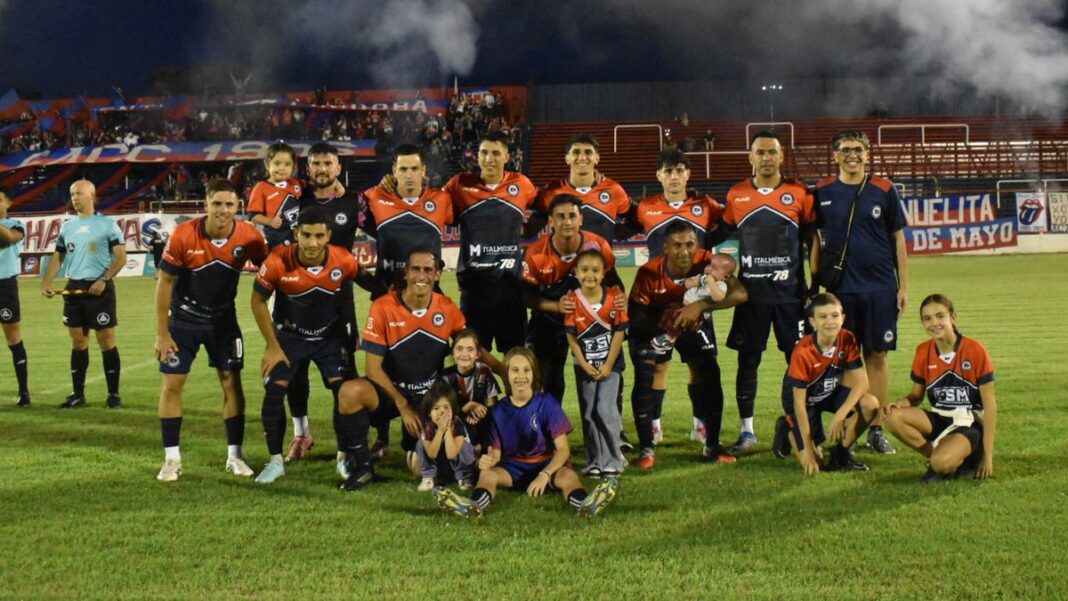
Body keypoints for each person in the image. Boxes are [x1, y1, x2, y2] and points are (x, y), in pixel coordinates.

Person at [153, 179, 268, 482]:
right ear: (206, 204)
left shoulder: (250, 236)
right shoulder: (183, 235)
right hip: (183, 322)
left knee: (232, 383)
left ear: (237, 207)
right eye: (217, 203)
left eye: (229, 204)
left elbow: (270, 271)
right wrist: (163, 333)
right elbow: (164, 283)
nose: (223, 210)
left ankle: (235, 455)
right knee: (172, 385)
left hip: (223, 322)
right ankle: (172, 459)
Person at [332, 247, 469, 491]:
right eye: (415, 269)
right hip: (390, 393)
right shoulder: (384, 306)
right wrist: (402, 404)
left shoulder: (446, 308)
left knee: (420, 469)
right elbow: (373, 368)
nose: (421, 275)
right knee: (349, 392)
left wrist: (502, 368)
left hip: (429, 399)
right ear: (405, 273)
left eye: (428, 270)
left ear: (437, 275)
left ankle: (414, 446)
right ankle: (363, 468)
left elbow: (468, 348)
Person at [250, 208, 368, 484]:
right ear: (296, 235)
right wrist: (272, 346)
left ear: (328, 235)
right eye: (306, 235)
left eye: (319, 236)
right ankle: (275, 462)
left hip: (329, 339)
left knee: (344, 394)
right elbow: (257, 301)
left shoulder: (342, 258)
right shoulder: (278, 260)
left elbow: (370, 283)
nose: (313, 243)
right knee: (274, 393)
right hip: (290, 340)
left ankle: (344, 457)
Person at [432, 347, 619, 519]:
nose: (521, 376)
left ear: (534, 374)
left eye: (526, 370)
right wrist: (489, 460)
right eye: (515, 370)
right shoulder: (497, 411)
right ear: (506, 375)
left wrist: (544, 475)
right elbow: (495, 452)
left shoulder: (547, 404)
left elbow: (563, 450)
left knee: (568, 477)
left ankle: (585, 505)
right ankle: (473, 506)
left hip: (546, 464)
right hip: (513, 468)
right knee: (487, 475)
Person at [812, 130, 909, 455]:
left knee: (877, 356)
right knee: (843, 360)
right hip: (840, 291)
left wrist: (903, 286)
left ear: (868, 153)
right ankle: (851, 423)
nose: (852, 155)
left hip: (880, 288)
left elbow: (898, 239)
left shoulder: (884, 189)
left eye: (858, 149)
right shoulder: (822, 191)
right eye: (845, 150)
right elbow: (814, 240)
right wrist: (814, 285)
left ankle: (876, 428)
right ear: (835, 154)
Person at [622, 149, 727, 443]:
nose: (674, 176)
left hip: (695, 301)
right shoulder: (645, 208)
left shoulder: (705, 205)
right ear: (659, 176)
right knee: (660, 364)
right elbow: (621, 224)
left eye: (680, 170)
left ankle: (700, 424)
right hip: (658, 303)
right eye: (668, 171)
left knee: (699, 365)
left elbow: (724, 228)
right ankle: (654, 425)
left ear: (688, 174)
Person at [722, 131, 816, 454]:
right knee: (748, 362)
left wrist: (813, 286)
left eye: (772, 152)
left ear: (781, 156)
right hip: (752, 298)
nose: (766, 158)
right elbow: (721, 233)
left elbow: (812, 239)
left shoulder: (798, 193)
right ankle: (747, 433)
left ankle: (796, 426)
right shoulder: (736, 195)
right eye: (760, 152)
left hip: (791, 298)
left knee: (798, 363)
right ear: (750, 157)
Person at [627, 222, 747, 469]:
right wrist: (666, 325)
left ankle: (712, 444)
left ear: (697, 246)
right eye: (677, 245)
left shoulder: (706, 262)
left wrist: (699, 306)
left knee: (710, 373)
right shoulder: (649, 272)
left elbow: (739, 294)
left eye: (690, 244)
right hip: (654, 325)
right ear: (666, 248)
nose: (684, 251)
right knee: (645, 374)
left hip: (692, 322)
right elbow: (636, 316)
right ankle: (646, 447)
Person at [282, 142, 367, 463]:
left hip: (338, 306)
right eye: (315, 163)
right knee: (295, 375)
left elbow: (383, 226)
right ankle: (301, 434)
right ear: (307, 168)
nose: (321, 168)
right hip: (294, 304)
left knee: (343, 379)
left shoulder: (354, 201)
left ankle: (348, 446)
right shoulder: (294, 199)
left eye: (327, 163)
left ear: (338, 167)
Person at [883, 294, 997, 482]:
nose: (934, 323)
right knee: (892, 417)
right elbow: (916, 396)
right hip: (939, 417)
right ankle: (936, 455)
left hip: (968, 422)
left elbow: (990, 405)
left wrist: (988, 454)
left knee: (942, 464)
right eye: (927, 319)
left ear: (953, 317)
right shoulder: (923, 351)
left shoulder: (975, 349)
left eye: (940, 316)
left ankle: (969, 455)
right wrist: (900, 403)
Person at [444, 131, 537, 357]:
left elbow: (546, 206)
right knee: (472, 358)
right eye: (484, 153)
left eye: (496, 153)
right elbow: (431, 203)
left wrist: (527, 229)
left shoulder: (521, 184)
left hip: (510, 291)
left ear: (507, 156)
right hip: (475, 291)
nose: (489, 158)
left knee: (515, 358)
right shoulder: (459, 185)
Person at [521, 194, 618, 401]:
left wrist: (618, 301)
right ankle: (546, 425)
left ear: (581, 219)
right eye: (561, 216)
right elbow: (526, 295)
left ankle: (609, 426)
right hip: (548, 321)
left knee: (599, 374)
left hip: (590, 323)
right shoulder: (536, 253)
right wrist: (555, 306)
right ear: (551, 221)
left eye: (572, 216)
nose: (567, 222)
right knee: (544, 376)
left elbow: (613, 281)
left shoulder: (598, 245)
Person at [41, 180, 127, 409]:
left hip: (99, 287)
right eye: (72, 194)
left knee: (106, 340)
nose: (74, 197)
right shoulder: (67, 227)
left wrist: (104, 279)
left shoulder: (107, 224)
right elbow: (58, 257)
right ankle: (77, 394)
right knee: (78, 342)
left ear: (91, 194)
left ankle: (113, 395)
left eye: (78, 193)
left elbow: (121, 257)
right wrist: (47, 282)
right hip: (74, 287)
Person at [772, 293, 879, 475]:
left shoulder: (847, 338)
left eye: (835, 316)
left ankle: (841, 454)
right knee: (815, 464)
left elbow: (862, 383)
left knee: (870, 404)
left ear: (843, 318)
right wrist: (806, 447)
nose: (830, 321)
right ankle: (786, 428)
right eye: (823, 317)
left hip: (829, 393)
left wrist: (840, 415)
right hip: (804, 403)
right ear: (812, 322)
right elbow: (799, 404)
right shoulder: (803, 352)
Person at [564, 250, 628, 477]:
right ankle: (595, 460)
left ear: (603, 274)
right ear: (576, 272)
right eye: (584, 270)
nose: (589, 275)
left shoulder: (613, 297)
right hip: (584, 366)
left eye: (595, 270)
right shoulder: (572, 300)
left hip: (610, 366)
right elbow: (571, 336)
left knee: (605, 409)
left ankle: (614, 459)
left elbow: (619, 333)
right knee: (590, 413)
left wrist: (609, 365)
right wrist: (582, 363)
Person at [362, 143, 453, 298]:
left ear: (423, 170)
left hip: (428, 297)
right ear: (394, 171)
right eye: (403, 169)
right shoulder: (374, 196)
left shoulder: (442, 199)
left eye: (415, 169)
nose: (409, 175)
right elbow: (345, 209)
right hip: (386, 297)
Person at [523, 133, 631, 243]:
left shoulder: (613, 190)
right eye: (576, 152)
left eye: (588, 152)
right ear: (567, 159)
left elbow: (636, 219)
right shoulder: (551, 192)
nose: (582, 157)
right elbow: (529, 231)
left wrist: (612, 233)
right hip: (563, 260)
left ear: (597, 158)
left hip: (601, 260)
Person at [439, 328, 500, 451]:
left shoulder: (484, 371)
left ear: (478, 354)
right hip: (456, 421)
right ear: (453, 353)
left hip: (481, 421)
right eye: (459, 349)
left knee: (494, 424)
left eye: (470, 349)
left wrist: (478, 414)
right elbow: (442, 411)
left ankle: (482, 448)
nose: (464, 354)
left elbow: (493, 406)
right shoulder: (445, 377)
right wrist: (465, 409)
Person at [414, 381, 477, 492]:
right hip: (440, 462)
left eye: (446, 407)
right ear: (429, 412)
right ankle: (428, 477)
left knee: (464, 445)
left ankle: (465, 477)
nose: (441, 412)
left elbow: (451, 454)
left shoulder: (457, 425)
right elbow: (432, 453)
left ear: (453, 409)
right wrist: (440, 431)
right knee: (420, 444)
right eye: (436, 408)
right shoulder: (428, 427)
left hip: (455, 462)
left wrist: (447, 430)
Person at [0, 190, 29, 406]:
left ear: (8, 203)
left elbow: (9, 238)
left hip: (5, 286)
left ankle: (23, 391)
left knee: (13, 337)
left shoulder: (16, 225)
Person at [246, 141, 303, 248]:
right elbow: (252, 215)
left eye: (287, 164)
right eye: (277, 163)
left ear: (293, 166)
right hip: (276, 243)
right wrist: (270, 221)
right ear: (267, 164)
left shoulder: (298, 184)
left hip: (299, 243)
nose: (282, 168)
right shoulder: (261, 188)